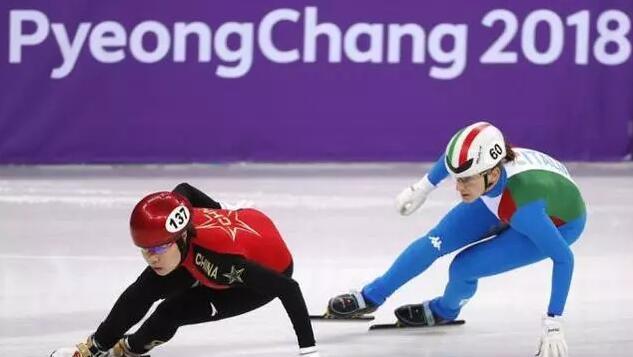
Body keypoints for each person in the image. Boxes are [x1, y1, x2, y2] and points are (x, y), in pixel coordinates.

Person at [327, 122, 586, 357]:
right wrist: (422, 188)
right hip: (508, 196)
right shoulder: (482, 166)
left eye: (466, 181)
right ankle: (371, 296)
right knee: (434, 241)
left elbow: (564, 258)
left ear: (492, 174)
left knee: (463, 268)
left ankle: (444, 311)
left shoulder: (524, 210)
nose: (458, 188)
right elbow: (451, 161)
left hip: (559, 223)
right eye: (457, 178)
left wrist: (554, 321)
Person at [51, 183, 319, 357]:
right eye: (144, 250)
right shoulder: (179, 224)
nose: (150, 258)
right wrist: (218, 213)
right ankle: (94, 348)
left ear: (178, 239)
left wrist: (308, 349)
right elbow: (185, 190)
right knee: (141, 291)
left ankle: (128, 350)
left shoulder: (221, 265)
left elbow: (288, 288)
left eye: (157, 250)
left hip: (267, 272)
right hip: (235, 234)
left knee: (172, 311)